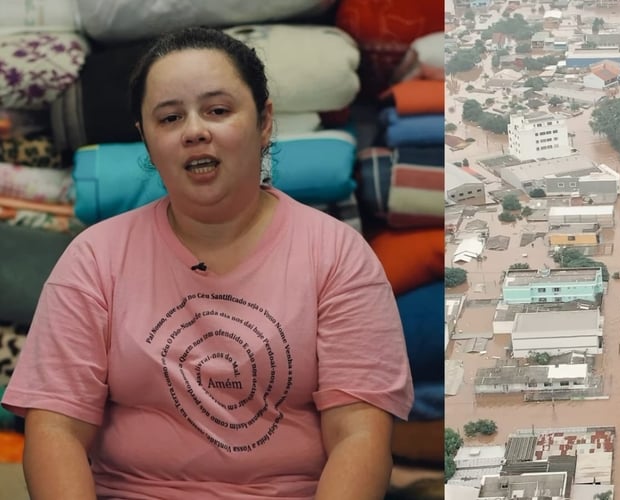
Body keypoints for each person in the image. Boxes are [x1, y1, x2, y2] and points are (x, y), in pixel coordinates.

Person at [2, 26, 414, 499]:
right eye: (170, 118)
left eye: (218, 111)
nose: (195, 131)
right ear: (146, 140)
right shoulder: (96, 256)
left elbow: (358, 436)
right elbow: (56, 429)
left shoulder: (338, 255)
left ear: (264, 122)